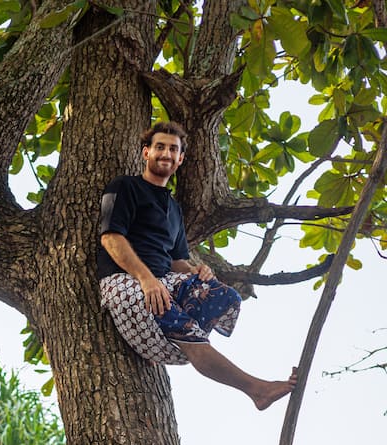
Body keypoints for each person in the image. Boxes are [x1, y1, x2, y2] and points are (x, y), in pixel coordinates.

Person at [98, 120, 297, 410]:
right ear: (146, 153)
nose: (166, 153)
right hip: (125, 282)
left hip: (162, 284)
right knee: (190, 335)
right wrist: (146, 279)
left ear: (180, 159)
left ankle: (170, 334)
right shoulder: (125, 186)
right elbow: (111, 238)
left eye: (173, 149)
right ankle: (256, 390)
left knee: (223, 294)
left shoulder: (174, 209)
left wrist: (195, 271)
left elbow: (177, 260)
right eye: (160, 147)